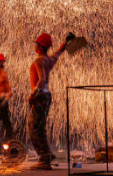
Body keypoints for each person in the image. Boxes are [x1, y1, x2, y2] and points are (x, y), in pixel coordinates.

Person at [28, 32, 73, 169]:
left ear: (41, 47)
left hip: (40, 95)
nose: (35, 46)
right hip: (46, 95)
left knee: (35, 128)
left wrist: (33, 94)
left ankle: (45, 160)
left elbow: (41, 80)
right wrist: (65, 43)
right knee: (38, 127)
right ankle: (46, 154)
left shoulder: (39, 61)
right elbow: (58, 54)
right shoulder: (48, 60)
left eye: (37, 44)